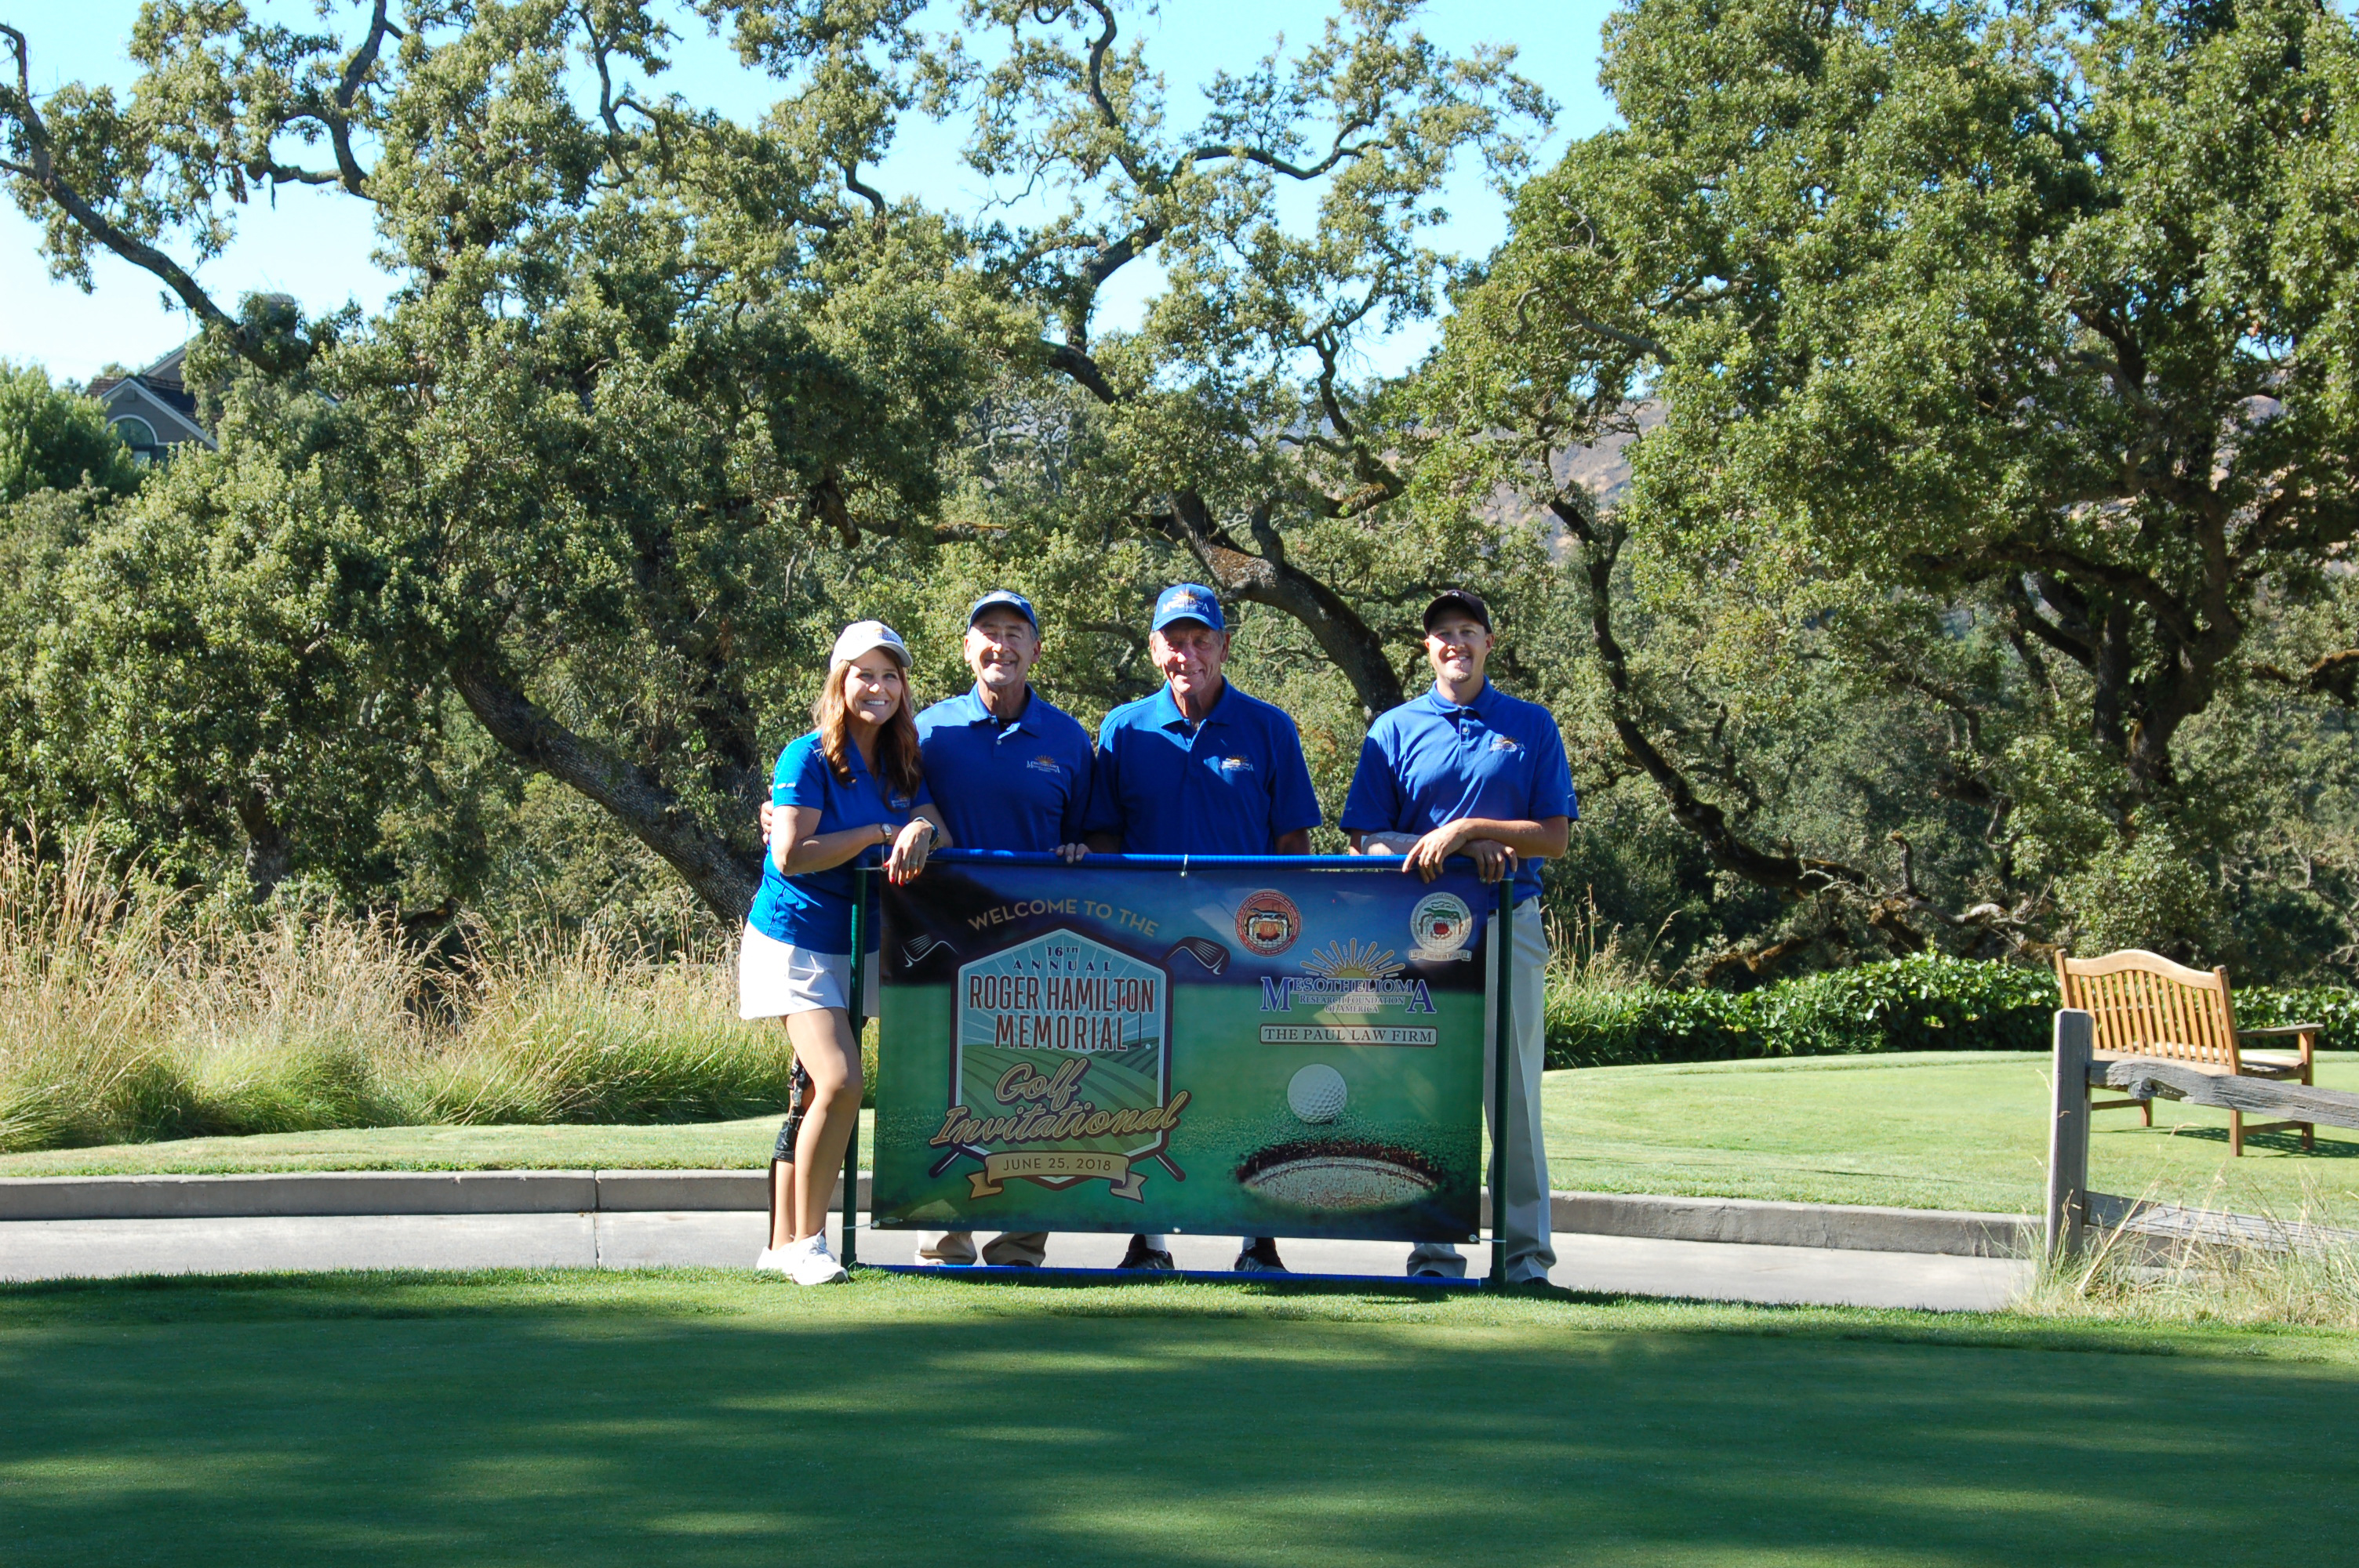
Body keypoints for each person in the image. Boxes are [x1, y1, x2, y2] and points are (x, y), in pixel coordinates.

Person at [1084, 583, 1321, 1272]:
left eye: (1201, 640)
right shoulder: (1123, 728)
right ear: (1156, 648)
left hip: (1247, 945)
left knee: (1246, 1085)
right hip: (1146, 941)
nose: (1188, 654)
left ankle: (1258, 1237)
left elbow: (1294, 842)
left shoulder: (1269, 727)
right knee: (1146, 1085)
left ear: (1223, 644)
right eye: (1174, 641)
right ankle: (1150, 1238)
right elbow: (1102, 838)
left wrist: (1283, 937)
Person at [1340, 589, 1574, 1284]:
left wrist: (1472, 830)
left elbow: (1553, 837)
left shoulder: (1529, 725)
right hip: (1417, 937)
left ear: (1489, 643)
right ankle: (1432, 1254)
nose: (1456, 644)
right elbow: (1362, 838)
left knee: (1516, 1098)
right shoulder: (1394, 729)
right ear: (1427, 648)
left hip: (1508, 925)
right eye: (1443, 634)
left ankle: (1524, 1259)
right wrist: (1442, 848)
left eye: (1468, 632)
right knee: (1422, 1095)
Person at [743, 620, 949, 1286]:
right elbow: (791, 854)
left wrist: (918, 823)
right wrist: (882, 829)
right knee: (839, 1081)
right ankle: (808, 1244)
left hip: (858, 948)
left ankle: (779, 1246)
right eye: (865, 674)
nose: (879, 688)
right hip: (795, 941)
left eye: (891, 676)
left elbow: (935, 825)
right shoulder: (803, 756)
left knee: (812, 1095)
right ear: (840, 681)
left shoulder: (901, 761)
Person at [909, 588, 1096, 1269]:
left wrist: (1082, 852)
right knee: (945, 1085)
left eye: (1016, 633)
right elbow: (874, 795)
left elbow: (1089, 837)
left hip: (1038, 950)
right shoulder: (927, 730)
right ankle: (944, 1239)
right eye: (988, 632)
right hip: (940, 940)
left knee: (1041, 1093)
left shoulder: (1070, 738)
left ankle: (1020, 1241)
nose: (1001, 645)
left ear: (1035, 650)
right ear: (967, 647)